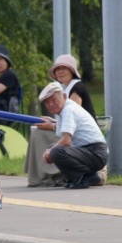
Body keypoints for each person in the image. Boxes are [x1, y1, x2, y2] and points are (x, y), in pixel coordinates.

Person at [25, 54, 99, 187]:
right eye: (57, 69)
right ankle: (42, 175)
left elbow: (73, 121)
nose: (60, 71)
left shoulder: (76, 89)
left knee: (39, 134)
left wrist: (52, 126)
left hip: (81, 138)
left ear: (73, 71)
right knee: (36, 129)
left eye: (64, 68)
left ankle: (51, 175)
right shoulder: (66, 89)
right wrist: (52, 121)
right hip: (76, 135)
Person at [37, 82, 108, 189]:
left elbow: (66, 141)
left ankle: (88, 176)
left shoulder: (68, 110)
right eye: (47, 102)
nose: (51, 104)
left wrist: (50, 152)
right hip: (91, 152)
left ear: (64, 96)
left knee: (56, 151)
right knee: (54, 149)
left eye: (54, 100)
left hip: (96, 152)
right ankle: (79, 178)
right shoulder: (63, 111)